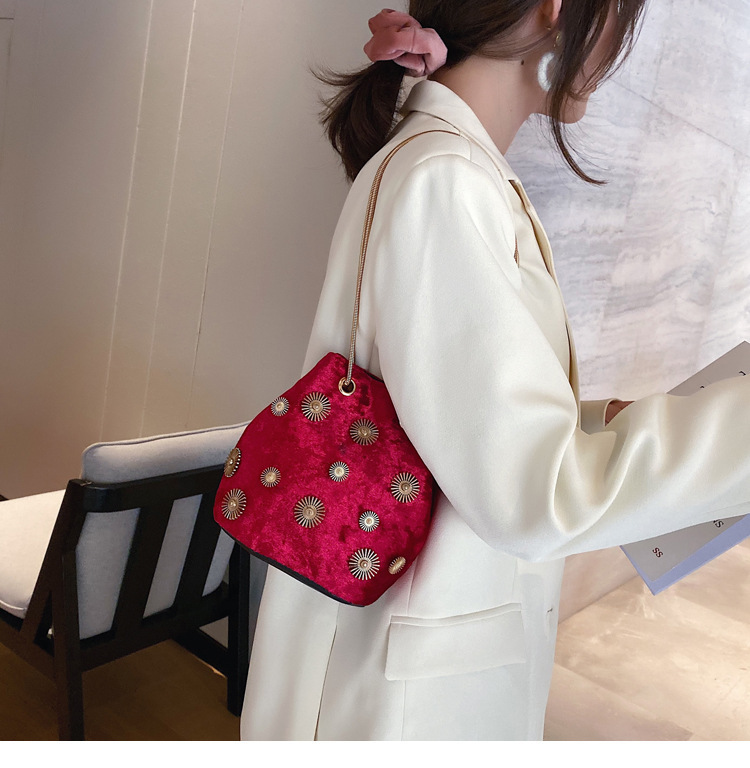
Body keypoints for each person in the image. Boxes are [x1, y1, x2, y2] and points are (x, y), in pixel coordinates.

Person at [241, 1, 750, 740]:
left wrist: (586, 422)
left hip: (413, 658)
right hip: (401, 699)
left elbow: (455, 414)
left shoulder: (453, 169)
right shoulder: (446, 179)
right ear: (554, 10)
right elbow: (533, 495)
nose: (616, 49)